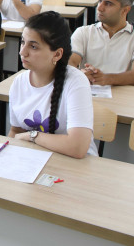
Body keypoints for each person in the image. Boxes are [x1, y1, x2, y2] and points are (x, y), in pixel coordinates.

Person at [9, 12, 96, 158]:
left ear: (57, 54)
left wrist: (33, 136)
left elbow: (78, 147)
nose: (22, 52)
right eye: (23, 42)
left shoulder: (76, 82)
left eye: (34, 47)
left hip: (75, 165)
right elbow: (16, 132)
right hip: (33, 159)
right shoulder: (18, 82)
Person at [68, 0, 134, 86]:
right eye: (100, 1)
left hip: (127, 98)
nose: (100, 8)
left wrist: (106, 79)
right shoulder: (83, 32)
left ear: (125, 10)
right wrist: (79, 74)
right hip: (91, 96)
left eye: (108, 4)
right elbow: (69, 62)